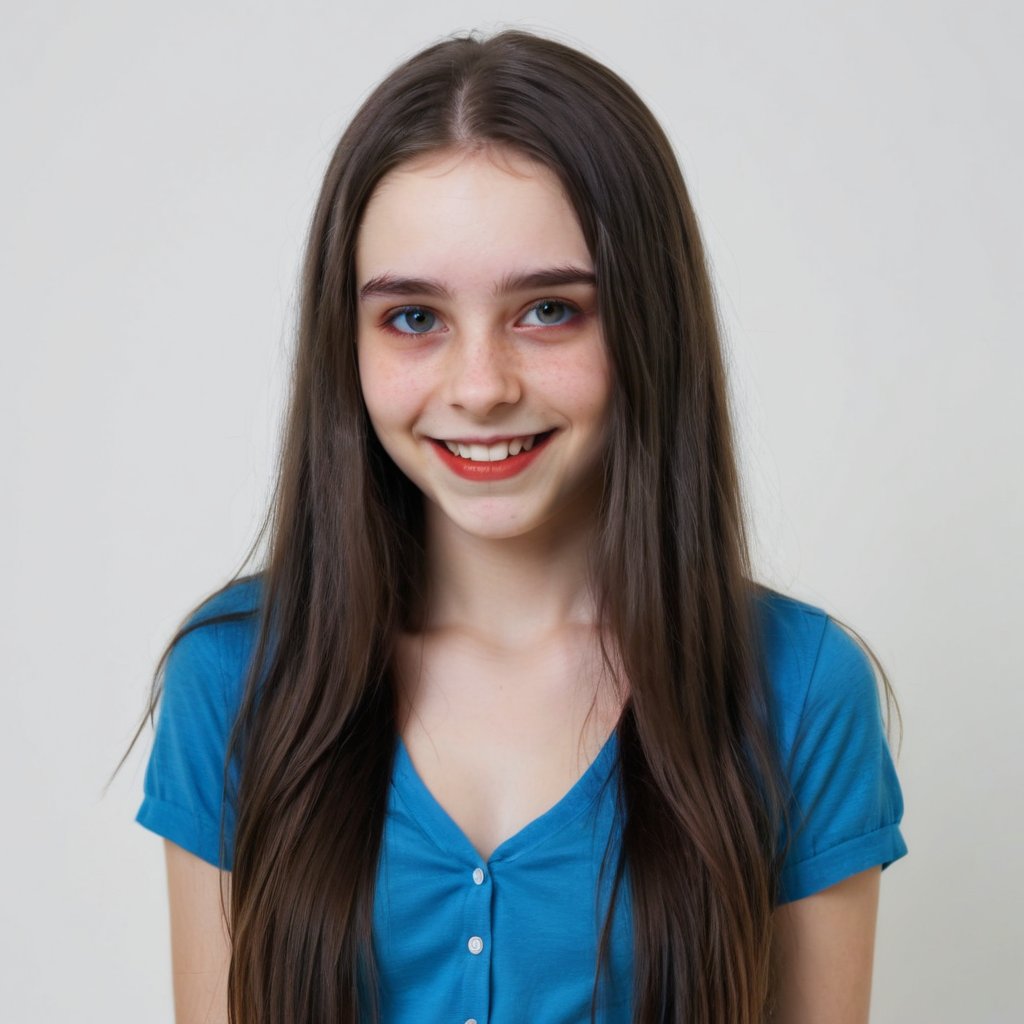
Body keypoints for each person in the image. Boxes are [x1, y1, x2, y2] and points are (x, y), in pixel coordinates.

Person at [122, 27, 907, 1024]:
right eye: (413, 317)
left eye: (548, 310)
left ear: (646, 321)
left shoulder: (798, 690)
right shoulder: (233, 676)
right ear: (346, 341)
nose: (481, 386)